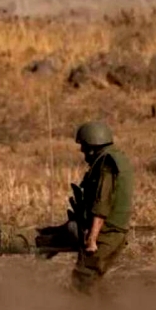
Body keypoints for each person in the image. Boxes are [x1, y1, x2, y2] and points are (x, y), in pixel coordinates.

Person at [37, 121, 134, 294]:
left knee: (82, 281)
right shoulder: (117, 158)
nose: (82, 152)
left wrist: (92, 239)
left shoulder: (106, 164)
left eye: (83, 146)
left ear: (91, 146)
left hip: (105, 234)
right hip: (114, 232)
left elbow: (101, 204)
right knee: (93, 283)